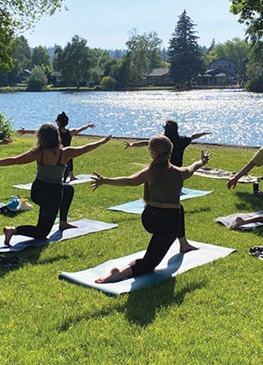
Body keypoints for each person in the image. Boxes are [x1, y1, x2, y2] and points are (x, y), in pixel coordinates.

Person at [90, 135, 210, 283]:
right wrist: (202, 161)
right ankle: (119, 273)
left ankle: (183, 244)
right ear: (170, 152)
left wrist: (105, 180)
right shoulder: (180, 173)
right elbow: (193, 167)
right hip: (168, 221)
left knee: (180, 209)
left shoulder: (150, 172)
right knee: (150, 263)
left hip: (149, 218)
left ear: (153, 152)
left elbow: (129, 181)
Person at [0, 123, 111, 246]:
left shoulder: (39, 152)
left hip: (37, 191)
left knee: (68, 189)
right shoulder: (65, 153)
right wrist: (102, 141)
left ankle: (63, 222)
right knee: (42, 233)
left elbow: (15, 160)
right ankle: (13, 230)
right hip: (52, 195)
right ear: (57, 137)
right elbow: (86, 148)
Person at [124, 119, 211, 167]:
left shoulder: (162, 141)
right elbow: (193, 136)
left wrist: (132, 144)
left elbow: (146, 142)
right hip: (177, 167)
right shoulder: (182, 140)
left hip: (162, 166)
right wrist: (203, 134)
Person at [55, 111, 95, 181]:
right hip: (68, 152)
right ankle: (71, 175)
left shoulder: (56, 132)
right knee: (70, 158)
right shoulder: (70, 132)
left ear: (58, 122)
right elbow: (80, 129)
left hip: (59, 152)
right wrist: (88, 125)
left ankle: (70, 175)